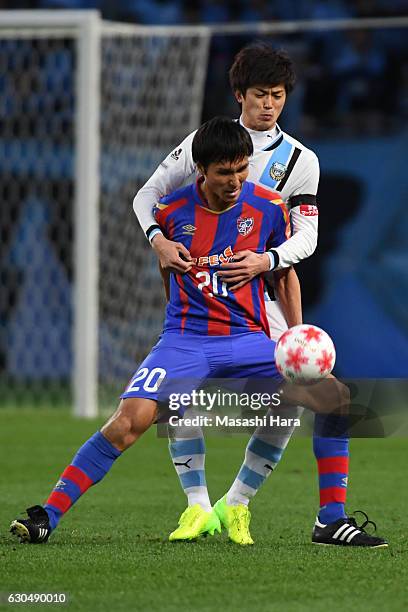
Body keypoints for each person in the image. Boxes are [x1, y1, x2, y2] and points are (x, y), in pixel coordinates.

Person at [132, 44, 388, 548]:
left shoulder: (300, 160)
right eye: (258, 95)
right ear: (238, 94)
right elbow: (147, 198)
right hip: (201, 300)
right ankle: (202, 506)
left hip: (262, 301)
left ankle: (316, 516)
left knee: (328, 397)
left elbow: (307, 237)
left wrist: (265, 261)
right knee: (179, 399)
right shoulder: (206, 144)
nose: (268, 105)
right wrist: (158, 239)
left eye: (277, 95)